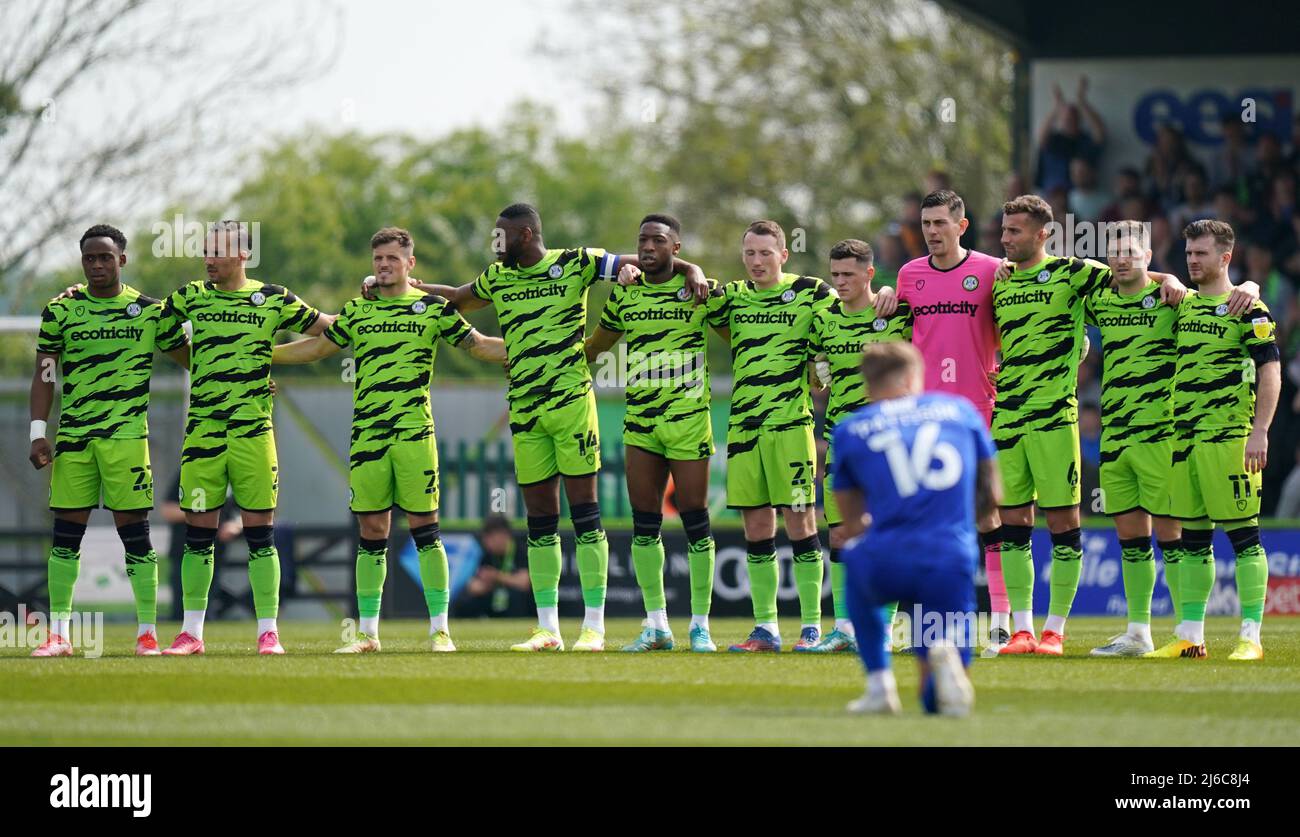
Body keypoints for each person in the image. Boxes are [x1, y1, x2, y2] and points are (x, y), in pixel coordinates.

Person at [418, 202, 709, 652]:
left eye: (502, 237)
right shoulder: (498, 278)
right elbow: (458, 296)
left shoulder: (576, 263)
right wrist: (409, 287)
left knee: (586, 513)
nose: (496, 246)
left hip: (572, 403)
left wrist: (691, 269)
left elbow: (647, 259)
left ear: (527, 235)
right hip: (525, 408)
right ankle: (547, 629)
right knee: (539, 518)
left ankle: (594, 626)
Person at [273, 227, 506, 653]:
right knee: (372, 530)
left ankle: (440, 630)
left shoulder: (432, 309)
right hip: (367, 438)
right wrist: (259, 356)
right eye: (378, 258)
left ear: (410, 264)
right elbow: (314, 349)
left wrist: (537, 351)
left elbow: (480, 347)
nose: (383, 265)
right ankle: (368, 634)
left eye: (392, 259)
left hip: (415, 435)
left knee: (426, 530)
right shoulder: (358, 311)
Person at [991, 196, 1190, 656]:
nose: (1005, 239)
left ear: (1043, 234)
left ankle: (1055, 630)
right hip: (1007, 418)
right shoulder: (994, 278)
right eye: (1003, 231)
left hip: (1056, 418)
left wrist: (1173, 278)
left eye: (1014, 231)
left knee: (1064, 522)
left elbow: (1137, 277)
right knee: (1013, 523)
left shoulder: (1076, 273)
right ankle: (1022, 629)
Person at [156, 220, 335, 656]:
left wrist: (267, 359)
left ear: (242, 255)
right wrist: (198, 365)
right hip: (203, 435)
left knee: (261, 532)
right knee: (199, 533)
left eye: (217, 251)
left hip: (254, 434)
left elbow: (331, 331)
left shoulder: (273, 298)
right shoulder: (189, 297)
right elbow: (159, 332)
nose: (208, 259)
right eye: (205, 251)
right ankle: (191, 633)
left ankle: (268, 632)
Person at [28, 225, 190, 657]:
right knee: (65, 537)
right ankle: (59, 633)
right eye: (89, 258)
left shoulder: (148, 312)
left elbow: (192, 358)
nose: (97, 265)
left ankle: (147, 633)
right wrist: (38, 433)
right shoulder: (60, 311)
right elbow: (45, 374)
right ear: (82, 262)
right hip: (75, 439)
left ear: (122, 260)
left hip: (127, 439)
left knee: (136, 537)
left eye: (105, 257)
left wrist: (248, 378)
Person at [875, 189, 1011, 654]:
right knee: (924, 515)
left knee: (987, 513)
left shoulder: (993, 271)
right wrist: (889, 291)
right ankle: (924, 621)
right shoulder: (910, 275)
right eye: (926, 223)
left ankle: (1001, 619)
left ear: (961, 225)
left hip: (979, 411)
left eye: (939, 223)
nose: (931, 231)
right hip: (925, 416)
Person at [832, 341, 1001, 716]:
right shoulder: (959, 411)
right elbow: (993, 493)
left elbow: (853, 523)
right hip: (950, 554)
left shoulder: (851, 429)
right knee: (935, 698)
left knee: (856, 558)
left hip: (889, 555)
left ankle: (879, 685)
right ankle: (944, 659)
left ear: (868, 383)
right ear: (912, 376)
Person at [584, 214, 728, 652]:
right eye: (642, 240)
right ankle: (657, 624)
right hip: (641, 425)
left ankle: (700, 625)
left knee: (696, 521)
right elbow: (595, 347)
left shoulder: (698, 291)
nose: (647, 247)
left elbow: (738, 339)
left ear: (676, 248)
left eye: (657, 240)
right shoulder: (625, 295)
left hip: (688, 423)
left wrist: (698, 274)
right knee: (644, 524)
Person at [1150, 220, 1280, 661]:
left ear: (1225, 257)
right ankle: (1190, 635)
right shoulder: (1182, 304)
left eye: (1201, 253)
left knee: (1244, 536)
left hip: (1229, 437)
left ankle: (1250, 637)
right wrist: (1165, 276)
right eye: (1188, 253)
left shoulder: (1248, 308)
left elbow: (1270, 371)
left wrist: (1260, 430)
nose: (1191, 260)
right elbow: (1127, 271)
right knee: (1192, 539)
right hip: (1183, 439)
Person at [716, 220, 835, 652]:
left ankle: (811, 627)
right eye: (749, 253)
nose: (756, 261)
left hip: (791, 427)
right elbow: (694, 296)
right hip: (745, 428)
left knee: (801, 522)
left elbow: (847, 313)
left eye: (766, 252)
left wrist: (821, 360)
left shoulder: (811, 291)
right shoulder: (732, 297)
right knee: (756, 526)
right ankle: (764, 628)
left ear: (784, 254)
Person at [1083, 220, 1187, 655]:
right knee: (1131, 538)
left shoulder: (1171, 299)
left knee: (1173, 536)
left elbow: (1224, 297)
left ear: (1148, 255)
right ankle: (1139, 633)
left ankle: (1188, 632)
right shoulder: (1101, 299)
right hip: (1115, 436)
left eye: (1131, 251)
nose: (1121, 258)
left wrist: (1252, 286)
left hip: (1161, 434)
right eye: (1115, 252)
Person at [805, 239, 912, 653]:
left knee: (884, 531)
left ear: (870, 274)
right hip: (840, 438)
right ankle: (846, 627)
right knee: (840, 536)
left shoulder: (895, 312)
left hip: (889, 441)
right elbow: (816, 375)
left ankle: (883, 629)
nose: (840, 282)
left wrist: (892, 291)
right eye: (835, 275)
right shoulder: (822, 318)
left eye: (849, 274)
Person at [455, 515, 531, 618]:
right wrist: (482, 586)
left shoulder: (521, 550)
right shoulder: (487, 555)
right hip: (493, 596)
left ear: (504, 535)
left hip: (518, 601)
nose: (485, 541)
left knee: (517, 596)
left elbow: (524, 583)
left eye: (489, 537)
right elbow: (473, 585)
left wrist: (496, 576)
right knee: (464, 601)